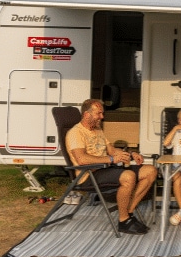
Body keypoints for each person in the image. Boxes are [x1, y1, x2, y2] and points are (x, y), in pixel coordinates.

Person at [65, 99, 157, 235]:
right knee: (128, 176)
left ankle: (128, 212)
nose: (102, 117)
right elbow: (82, 159)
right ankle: (123, 220)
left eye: (102, 113)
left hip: (105, 169)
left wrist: (131, 154)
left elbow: (112, 150)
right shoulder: (75, 133)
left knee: (150, 171)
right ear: (86, 115)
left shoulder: (97, 130)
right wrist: (112, 159)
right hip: (88, 174)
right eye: (98, 113)